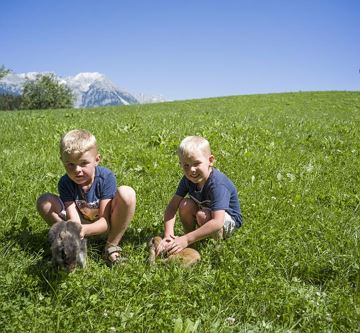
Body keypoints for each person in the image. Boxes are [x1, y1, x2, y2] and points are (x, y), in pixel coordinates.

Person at [36, 129, 136, 267]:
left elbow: (104, 223)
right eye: (70, 164)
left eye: (83, 163)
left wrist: (82, 230)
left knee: (127, 193)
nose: (77, 170)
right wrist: (74, 230)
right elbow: (74, 219)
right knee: (44, 202)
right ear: (62, 161)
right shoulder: (65, 182)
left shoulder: (106, 178)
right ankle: (74, 245)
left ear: (96, 160)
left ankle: (111, 246)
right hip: (82, 221)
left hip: (107, 223)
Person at [157, 135, 242, 256]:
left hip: (227, 219)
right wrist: (168, 236)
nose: (191, 170)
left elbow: (217, 222)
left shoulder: (218, 184)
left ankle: (216, 247)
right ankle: (192, 243)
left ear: (210, 161)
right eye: (186, 165)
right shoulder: (187, 180)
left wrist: (185, 239)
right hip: (207, 212)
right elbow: (172, 208)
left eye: (196, 163)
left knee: (202, 216)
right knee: (185, 204)